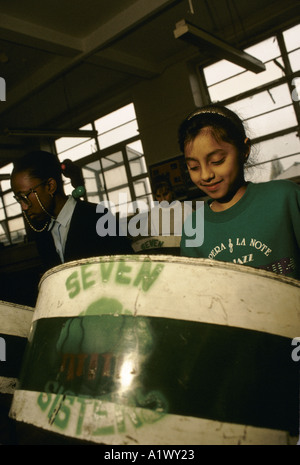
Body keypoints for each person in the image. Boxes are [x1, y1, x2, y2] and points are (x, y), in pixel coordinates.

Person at [179, 103, 300, 280]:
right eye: (194, 167)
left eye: (217, 161)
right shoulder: (194, 228)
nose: (205, 175)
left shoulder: (285, 198)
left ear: (244, 150)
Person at [11, 150, 133, 272]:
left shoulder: (97, 218)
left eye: (24, 197)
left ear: (50, 186)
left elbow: (129, 269)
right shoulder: (42, 233)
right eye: (18, 199)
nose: (24, 207)